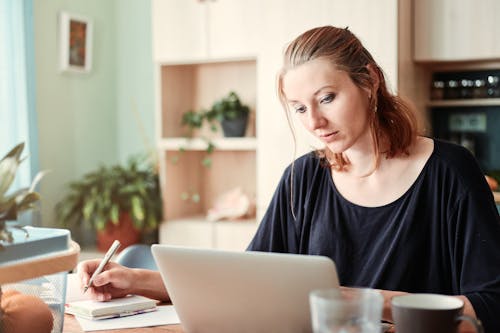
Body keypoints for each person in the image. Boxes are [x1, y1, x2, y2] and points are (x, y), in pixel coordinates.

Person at [78, 26, 500, 332]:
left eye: (327, 98)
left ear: (369, 81)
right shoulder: (303, 179)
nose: (314, 122)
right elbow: (243, 282)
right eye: (299, 108)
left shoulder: (450, 171)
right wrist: (133, 280)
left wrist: (362, 302)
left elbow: (490, 304)